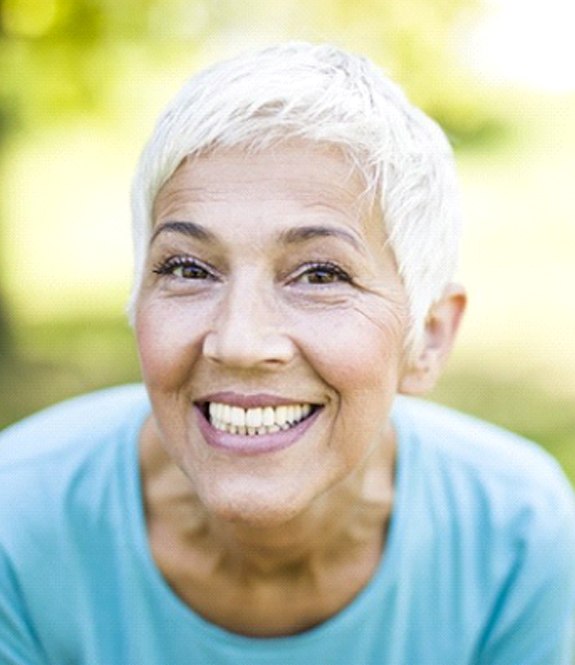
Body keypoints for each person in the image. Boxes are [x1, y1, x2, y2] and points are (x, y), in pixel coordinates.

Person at [0, 42, 574, 665]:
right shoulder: (18, 522)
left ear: (429, 336)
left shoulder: (515, 536)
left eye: (321, 275)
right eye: (188, 268)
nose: (241, 343)